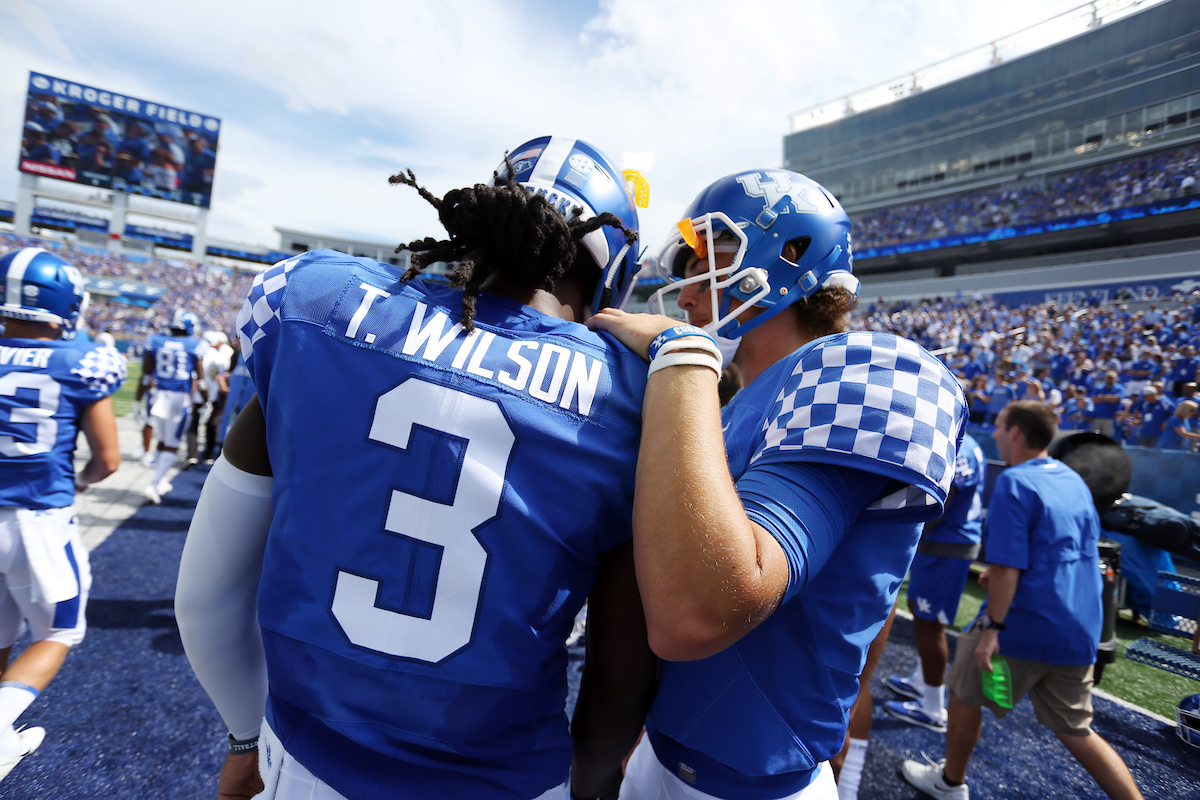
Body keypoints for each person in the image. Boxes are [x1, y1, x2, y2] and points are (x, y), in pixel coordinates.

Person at [175, 136, 655, 800]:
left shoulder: (321, 304)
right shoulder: (633, 401)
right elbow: (621, 679)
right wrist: (591, 782)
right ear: (611, 271)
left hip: (311, 762)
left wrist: (243, 737)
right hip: (507, 778)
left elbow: (204, 596)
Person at [590, 168, 968, 800]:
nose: (684, 293)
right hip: (667, 745)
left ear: (788, 256)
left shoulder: (865, 372)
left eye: (707, 259)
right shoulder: (738, 401)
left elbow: (699, 612)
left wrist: (680, 357)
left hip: (757, 778)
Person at [901, 401, 1144, 800]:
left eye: (998, 426)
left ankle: (950, 783)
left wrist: (993, 628)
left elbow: (1009, 567)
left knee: (964, 694)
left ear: (1015, 432)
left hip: (1023, 624)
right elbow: (1069, 548)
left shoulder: (1015, 482)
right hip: (1080, 627)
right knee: (1075, 729)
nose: (994, 433)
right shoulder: (1072, 479)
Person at [0, 248, 124, 782]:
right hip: (37, 520)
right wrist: (81, 481)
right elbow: (109, 460)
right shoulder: (80, 360)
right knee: (58, 632)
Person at [884, 432, 987, 732]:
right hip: (949, 544)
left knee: (931, 626)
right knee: (922, 613)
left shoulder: (957, 447)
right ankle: (922, 683)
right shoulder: (970, 443)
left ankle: (932, 708)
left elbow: (939, 505)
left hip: (945, 545)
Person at [136, 309, 207, 504]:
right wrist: (206, 401)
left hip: (158, 395)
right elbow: (201, 381)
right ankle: (154, 483)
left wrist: (137, 400)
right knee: (172, 443)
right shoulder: (195, 345)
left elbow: (146, 376)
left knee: (162, 439)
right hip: (179, 398)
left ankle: (160, 480)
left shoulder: (156, 341)